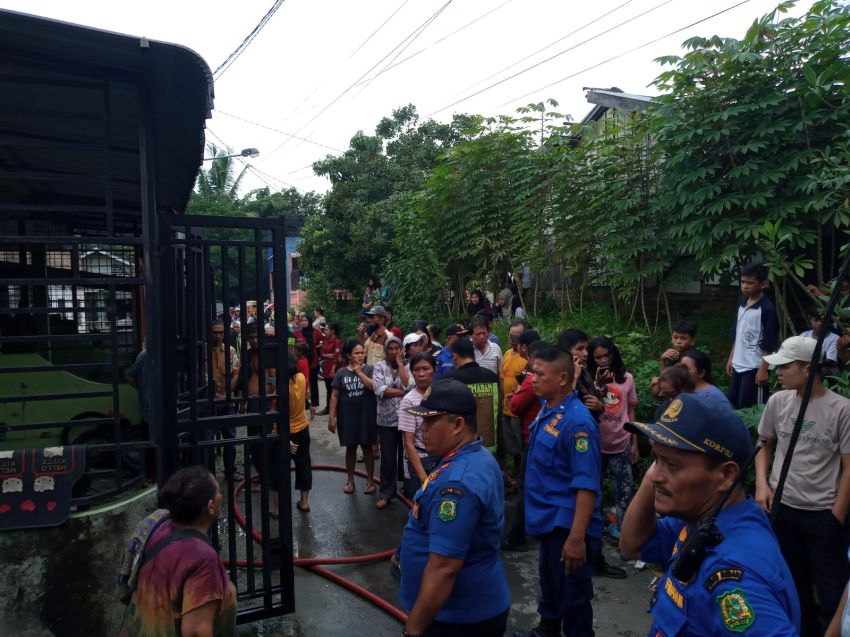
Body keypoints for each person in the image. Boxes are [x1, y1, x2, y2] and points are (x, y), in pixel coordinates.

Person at [620, 394, 801, 636]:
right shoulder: (704, 517)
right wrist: (663, 462)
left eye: (672, 465)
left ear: (726, 475)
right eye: (656, 460)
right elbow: (633, 544)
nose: (656, 476)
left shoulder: (734, 573)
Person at [399, 379, 511, 637]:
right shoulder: (474, 456)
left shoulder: (456, 485)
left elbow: (444, 568)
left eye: (429, 421)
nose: (422, 428)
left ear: (458, 424)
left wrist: (414, 629)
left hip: (457, 620)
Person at [755, 335, 850, 636]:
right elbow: (763, 444)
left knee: (831, 586)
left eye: (785, 366)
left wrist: (837, 514)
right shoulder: (777, 402)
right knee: (792, 585)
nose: (778, 373)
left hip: (822, 512)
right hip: (783, 509)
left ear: (808, 369)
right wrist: (762, 485)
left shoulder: (842, 410)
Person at [514, 345, 602, 637]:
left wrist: (577, 539)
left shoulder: (578, 424)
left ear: (563, 378)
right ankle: (547, 630)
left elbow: (587, 485)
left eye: (539, 374)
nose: (532, 379)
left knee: (574, 600)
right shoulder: (549, 408)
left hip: (567, 527)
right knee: (550, 587)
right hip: (548, 522)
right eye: (531, 372)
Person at [120, 466, 237, 637]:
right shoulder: (202, 558)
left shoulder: (155, 521)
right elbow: (195, 632)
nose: (222, 495)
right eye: (219, 491)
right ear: (210, 506)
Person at [586, 336, 638, 540]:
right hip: (596, 444)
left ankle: (624, 530)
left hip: (621, 441)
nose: (602, 361)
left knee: (625, 489)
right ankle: (594, 527)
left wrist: (635, 443)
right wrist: (598, 384)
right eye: (597, 358)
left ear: (613, 354)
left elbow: (631, 411)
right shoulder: (588, 379)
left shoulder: (627, 379)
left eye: (606, 355)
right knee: (593, 488)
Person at [501, 332, 544, 553]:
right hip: (540, 436)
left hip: (533, 436)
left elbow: (517, 406)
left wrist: (517, 395)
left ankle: (518, 535)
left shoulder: (532, 379)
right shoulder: (544, 376)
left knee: (526, 487)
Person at [726, 262, 779, 408]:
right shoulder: (742, 304)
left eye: (750, 283)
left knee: (751, 405)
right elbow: (738, 334)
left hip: (754, 367)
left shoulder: (767, 309)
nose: (745, 286)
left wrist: (763, 369)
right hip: (738, 364)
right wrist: (732, 357)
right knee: (734, 401)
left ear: (763, 284)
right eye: (743, 282)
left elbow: (769, 341)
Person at [328, 340, 378, 494]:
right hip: (347, 418)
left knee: (367, 448)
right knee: (350, 449)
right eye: (356, 353)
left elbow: (373, 387)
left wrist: (359, 372)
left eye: (362, 352)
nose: (360, 356)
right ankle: (350, 481)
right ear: (349, 355)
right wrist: (332, 417)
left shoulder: (370, 369)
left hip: (366, 417)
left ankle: (370, 480)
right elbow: (335, 396)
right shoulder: (341, 373)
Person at [444, 337, 502, 453]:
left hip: (460, 448)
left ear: (455, 356)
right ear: (473, 354)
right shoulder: (492, 377)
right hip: (490, 447)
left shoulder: (449, 380)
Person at [373, 336, 408, 509]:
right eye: (390, 349)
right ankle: (386, 493)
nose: (394, 351)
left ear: (401, 349)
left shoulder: (408, 365)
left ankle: (408, 490)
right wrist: (400, 392)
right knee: (387, 458)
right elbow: (379, 389)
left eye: (397, 348)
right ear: (386, 351)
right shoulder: (379, 366)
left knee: (407, 456)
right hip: (386, 420)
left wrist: (401, 365)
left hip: (406, 419)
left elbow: (409, 386)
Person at [398, 352, 439, 499]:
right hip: (420, 459)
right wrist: (423, 477)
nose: (421, 374)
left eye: (426, 368)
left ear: (434, 370)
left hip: (440, 458)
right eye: (416, 370)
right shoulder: (408, 401)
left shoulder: (440, 394)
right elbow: (408, 443)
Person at [206, 320, 240, 480]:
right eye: (215, 332)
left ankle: (230, 471)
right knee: (208, 441)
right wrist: (213, 396)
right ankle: (209, 475)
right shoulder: (203, 351)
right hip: (208, 403)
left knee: (230, 439)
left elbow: (236, 373)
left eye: (221, 332)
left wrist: (226, 394)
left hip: (227, 402)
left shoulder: (230, 351)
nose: (218, 335)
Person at [500, 320, 528, 488]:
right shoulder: (507, 353)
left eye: (516, 336)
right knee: (512, 448)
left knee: (522, 447)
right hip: (506, 409)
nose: (512, 339)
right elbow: (502, 377)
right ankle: (516, 479)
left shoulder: (526, 358)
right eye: (510, 335)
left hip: (519, 412)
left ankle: (522, 480)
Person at [288, 352, 312, 514]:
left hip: (287, 432)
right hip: (303, 428)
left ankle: (277, 507)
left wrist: (285, 440)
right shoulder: (301, 378)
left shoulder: (280, 387)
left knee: (279, 467)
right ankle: (304, 502)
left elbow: (278, 414)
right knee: (303, 465)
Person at [294, 312, 322, 413]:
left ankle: (314, 404)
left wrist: (318, 348)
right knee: (302, 384)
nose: (304, 322)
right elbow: (291, 344)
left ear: (309, 322)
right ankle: (304, 404)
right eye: (302, 321)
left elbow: (323, 340)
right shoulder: (297, 333)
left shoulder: (316, 332)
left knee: (314, 384)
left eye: (306, 321)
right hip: (301, 363)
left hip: (314, 362)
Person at [318, 322, 342, 416]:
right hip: (326, 368)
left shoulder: (337, 341)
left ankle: (335, 409)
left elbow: (336, 356)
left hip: (334, 369)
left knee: (334, 389)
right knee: (328, 389)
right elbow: (321, 353)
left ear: (333, 331)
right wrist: (329, 355)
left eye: (327, 329)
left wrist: (333, 369)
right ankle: (329, 408)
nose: (325, 331)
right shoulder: (325, 340)